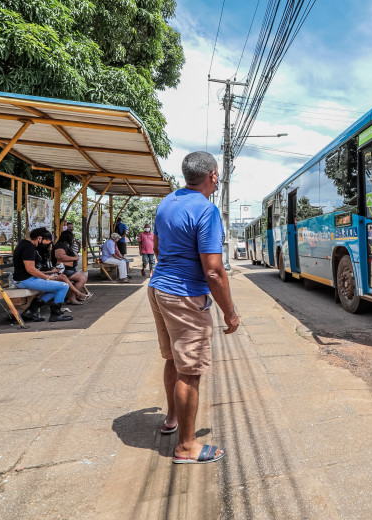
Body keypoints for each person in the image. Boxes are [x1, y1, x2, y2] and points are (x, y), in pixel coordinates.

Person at [148, 151, 239, 464]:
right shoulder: (206, 211)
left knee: (174, 358)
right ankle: (187, 447)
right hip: (185, 296)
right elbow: (213, 271)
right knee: (191, 371)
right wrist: (230, 312)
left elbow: (158, 249)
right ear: (213, 175)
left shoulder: (167, 203)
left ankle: (172, 419)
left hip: (158, 288)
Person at [12, 227, 73, 322]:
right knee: (64, 286)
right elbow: (30, 269)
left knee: (55, 290)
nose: (45, 246)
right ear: (39, 238)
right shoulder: (29, 248)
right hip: (25, 279)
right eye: (45, 243)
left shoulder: (25, 244)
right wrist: (47, 277)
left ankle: (31, 311)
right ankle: (55, 314)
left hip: (24, 278)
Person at [53, 230, 90, 300]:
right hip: (63, 269)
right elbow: (60, 256)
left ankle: (74, 296)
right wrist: (74, 258)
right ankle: (72, 298)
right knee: (81, 279)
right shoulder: (61, 245)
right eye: (72, 237)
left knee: (84, 276)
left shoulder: (66, 245)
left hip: (69, 268)